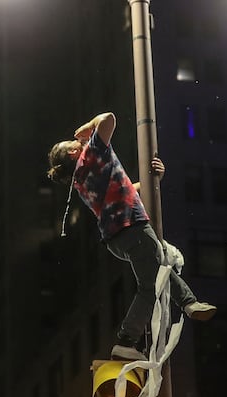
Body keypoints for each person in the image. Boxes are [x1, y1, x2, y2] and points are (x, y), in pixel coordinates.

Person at [47, 112, 216, 360]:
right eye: (72, 143)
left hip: (117, 237)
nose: (77, 142)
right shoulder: (89, 155)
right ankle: (127, 341)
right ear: (74, 154)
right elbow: (108, 119)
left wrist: (153, 179)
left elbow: (127, 191)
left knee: (157, 268)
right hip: (131, 226)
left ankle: (189, 304)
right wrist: (87, 128)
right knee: (149, 285)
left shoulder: (82, 179)